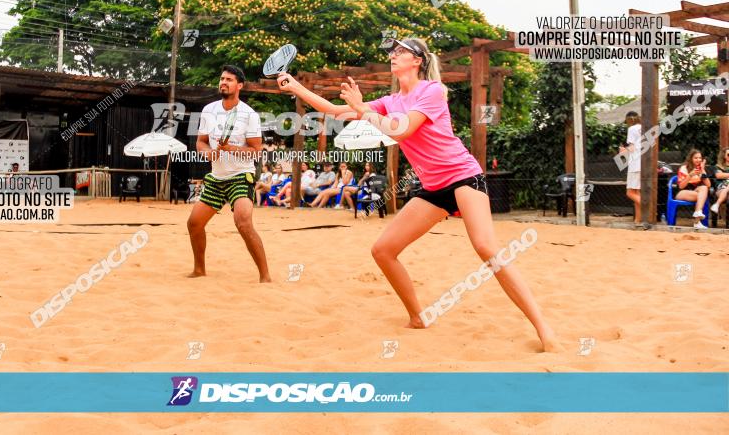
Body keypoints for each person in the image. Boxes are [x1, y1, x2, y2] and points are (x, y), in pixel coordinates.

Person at [277, 37, 560, 352]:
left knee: (485, 247)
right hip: (435, 188)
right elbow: (333, 110)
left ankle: (543, 328)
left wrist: (361, 108)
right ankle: (418, 317)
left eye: (401, 52)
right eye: (392, 52)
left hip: (464, 176)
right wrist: (295, 87)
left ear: (418, 61)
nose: (393, 56)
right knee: (383, 250)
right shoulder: (389, 100)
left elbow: (402, 130)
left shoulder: (433, 91)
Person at [186, 65, 271, 282]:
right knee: (194, 223)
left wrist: (229, 149)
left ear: (239, 85)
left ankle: (265, 276)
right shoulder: (208, 110)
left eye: (229, 80)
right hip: (216, 177)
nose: (223, 82)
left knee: (242, 222)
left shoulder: (249, 115)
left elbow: (255, 150)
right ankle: (199, 270)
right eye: (222, 78)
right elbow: (201, 142)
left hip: (241, 175)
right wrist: (209, 154)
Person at [675, 148, 710, 229]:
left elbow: (708, 185)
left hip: (695, 192)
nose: (698, 160)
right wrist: (690, 175)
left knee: (704, 188)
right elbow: (681, 186)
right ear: (691, 158)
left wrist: (703, 170)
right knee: (702, 196)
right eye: (696, 158)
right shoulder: (684, 168)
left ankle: (697, 215)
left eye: (700, 158)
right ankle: (697, 221)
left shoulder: (700, 170)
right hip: (682, 192)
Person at [619, 111, 642, 224]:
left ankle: (649, 208)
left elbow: (632, 149)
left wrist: (623, 151)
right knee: (637, 193)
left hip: (635, 164)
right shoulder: (644, 127)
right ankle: (638, 220)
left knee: (630, 193)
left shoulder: (632, 129)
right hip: (644, 164)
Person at [710, 147, 729, 215]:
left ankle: (717, 204)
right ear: (724, 156)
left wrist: (725, 175)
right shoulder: (718, 166)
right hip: (721, 188)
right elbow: (719, 175)